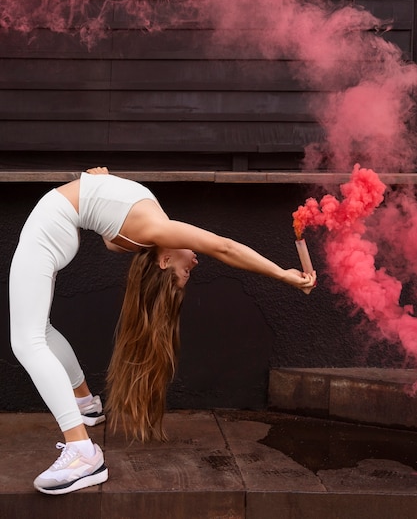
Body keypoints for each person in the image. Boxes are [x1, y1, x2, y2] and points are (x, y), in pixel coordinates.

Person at [9, 166, 316, 495]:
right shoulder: (149, 232)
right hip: (56, 225)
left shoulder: (155, 230)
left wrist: (284, 276)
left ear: (165, 261)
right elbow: (116, 236)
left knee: (27, 342)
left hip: (48, 227)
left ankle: (82, 452)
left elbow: (224, 248)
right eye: (188, 272)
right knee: (37, 331)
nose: (195, 265)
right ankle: (85, 405)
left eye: (185, 273)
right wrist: (98, 185)